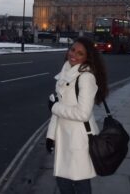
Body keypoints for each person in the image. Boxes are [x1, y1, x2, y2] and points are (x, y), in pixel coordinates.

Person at [46, 36, 109, 194]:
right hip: (64, 137)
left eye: (80, 53)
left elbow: (82, 113)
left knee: (79, 182)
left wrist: (55, 107)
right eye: (73, 49)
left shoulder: (86, 77)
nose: (73, 54)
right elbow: (58, 109)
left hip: (79, 138)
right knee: (63, 181)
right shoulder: (65, 72)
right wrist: (50, 136)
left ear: (87, 58)